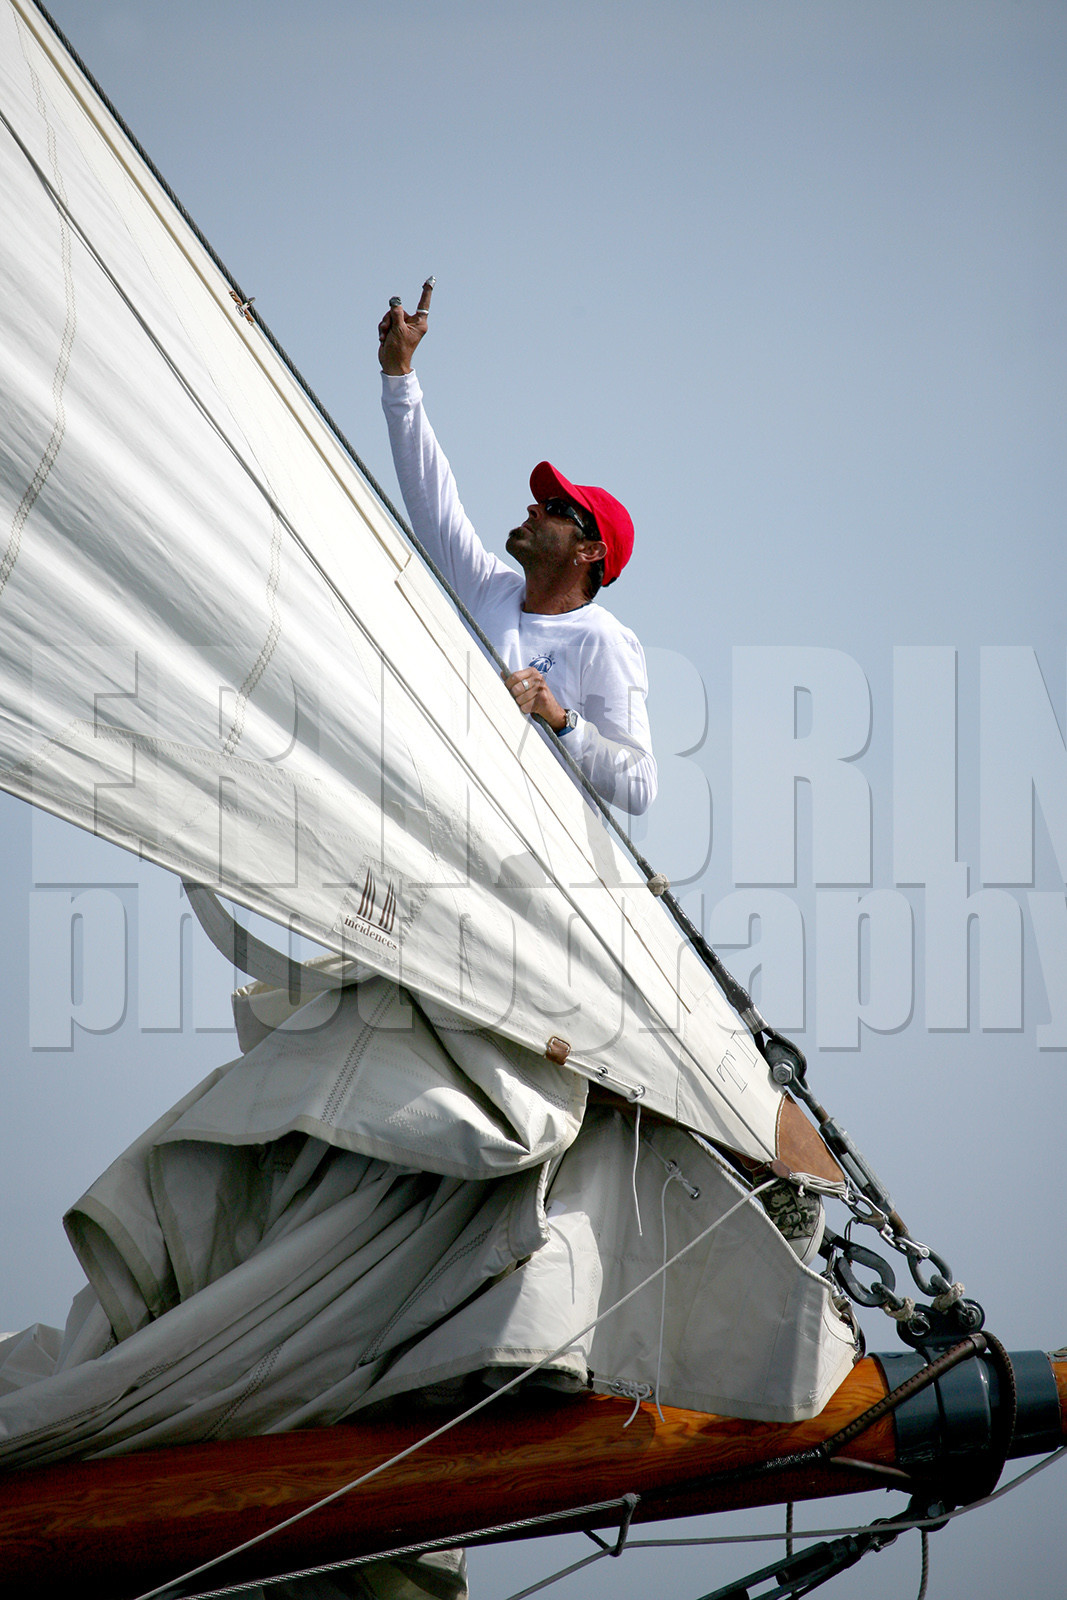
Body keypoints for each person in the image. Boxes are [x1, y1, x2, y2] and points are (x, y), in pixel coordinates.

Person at [378, 282, 657, 816]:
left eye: (557, 508)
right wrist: (400, 377)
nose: (535, 508)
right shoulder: (489, 588)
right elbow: (432, 498)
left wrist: (560, 719)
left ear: (591, 552)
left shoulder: (603, 639)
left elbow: (641, 787)